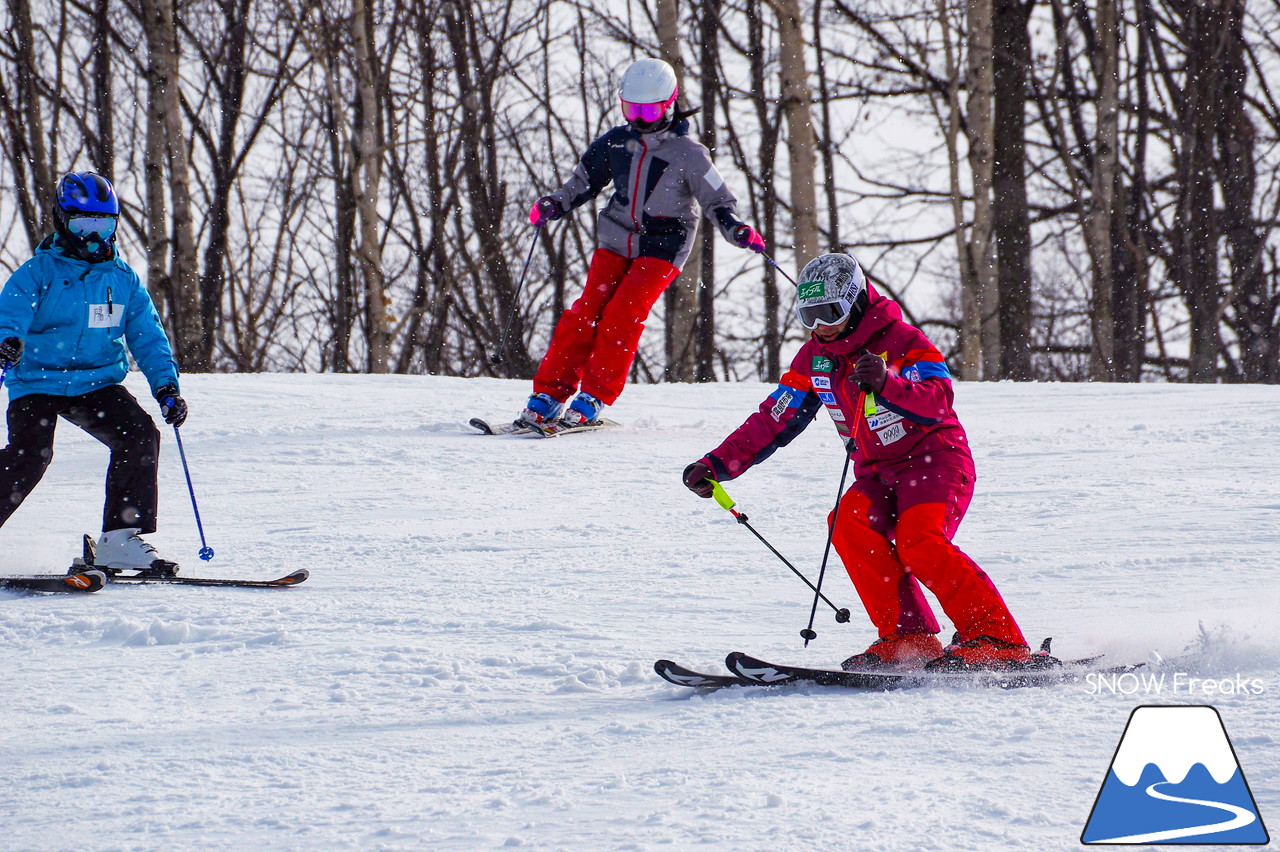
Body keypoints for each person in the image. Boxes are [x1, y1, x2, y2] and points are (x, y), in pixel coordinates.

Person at [681, 253, 1034, 671]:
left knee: (918, 542)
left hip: (935, 462)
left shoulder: (904, 341)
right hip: (878, 474)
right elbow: (773, 419)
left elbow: (939, 401)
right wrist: (716, 464)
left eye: (829, 313)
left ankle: (998, 639)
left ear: (856, 302)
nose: (820, 326)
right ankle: (909, 637)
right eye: (808, 317)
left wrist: (888, 383)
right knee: (847, 522)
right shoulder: (814, 360)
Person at [518, 57, 765, 427]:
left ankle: (594, 395)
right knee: (585, 313)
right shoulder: (616, 143)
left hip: (664, 246)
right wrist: (555, 203)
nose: (639, 119)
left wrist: (735, 228)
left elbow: (717, 199)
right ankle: (549, 394)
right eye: (632, 109)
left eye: (649, 111)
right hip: (616, 238)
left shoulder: (688, 154)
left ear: (669, 104)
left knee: (621, 316)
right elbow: (583, 181)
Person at [0, 171, 188, 573]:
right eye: (83, 224)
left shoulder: (123, 282)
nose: (94, 236)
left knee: (140, 435)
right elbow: (9, 312)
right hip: (37, 382)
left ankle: (120, 540)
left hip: (95, 382)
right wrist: (8, 341)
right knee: (30, 456)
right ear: (62, 221)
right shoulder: (38, 272)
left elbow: (148, 338)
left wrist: (167, 388)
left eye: (104, 225)